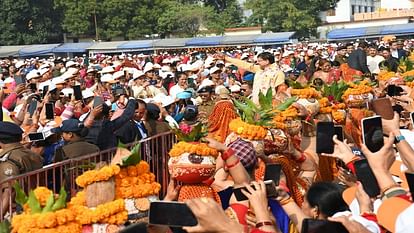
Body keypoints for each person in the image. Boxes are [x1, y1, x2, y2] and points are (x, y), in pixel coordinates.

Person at [0, 121, 43, 213]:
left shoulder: (8, 160)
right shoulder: (32, 153)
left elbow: (9, 192)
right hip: (36, 202)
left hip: (18, 209)